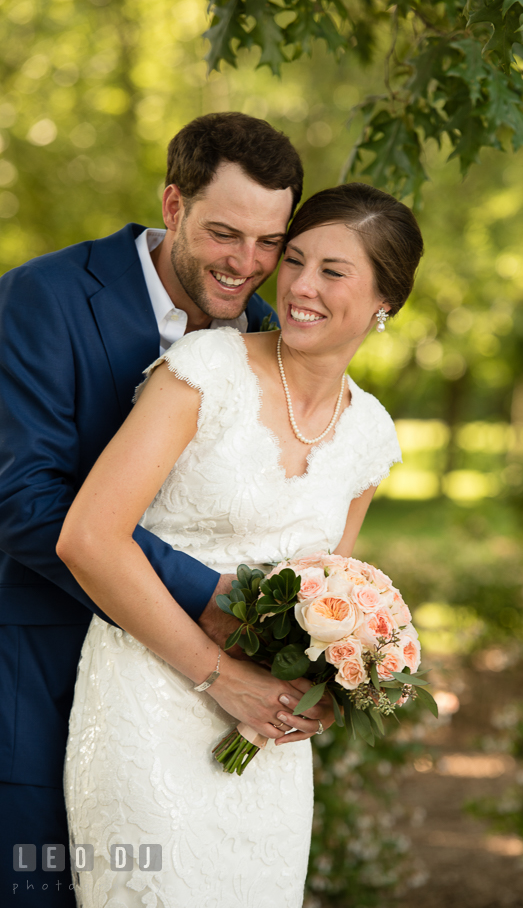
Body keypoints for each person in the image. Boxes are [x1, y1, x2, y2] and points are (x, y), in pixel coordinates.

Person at [57, 182, 424, 907]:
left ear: (385, 301)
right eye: (294, 261)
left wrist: (330, 680)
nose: (298, 287)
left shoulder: (370, 437)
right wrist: (218, 678)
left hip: (267, 748)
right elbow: (88, 538)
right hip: (146, 704)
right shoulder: (204, 370)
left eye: (332, 271)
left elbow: (323, 588)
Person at [0, 112, 330, 907]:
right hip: (44, 665)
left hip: (177, 702)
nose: (246, 264)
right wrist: (211, 596)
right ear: (173, 204)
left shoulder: (260, 330)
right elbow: (24, 502)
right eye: (224, 233)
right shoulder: (42, 296)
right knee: (40, 885)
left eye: (267, 244)